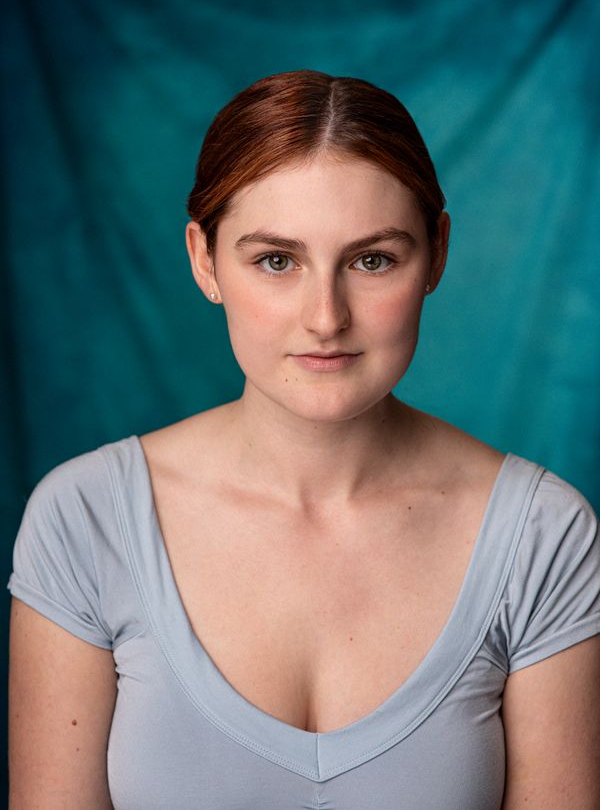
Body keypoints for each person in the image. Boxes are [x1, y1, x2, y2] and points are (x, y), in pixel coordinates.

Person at [7, 70, 600, 809]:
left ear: (437, 254)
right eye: (276, 261)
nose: (326, 317)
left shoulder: (543, 535)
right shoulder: (83, 520)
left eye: (372, 260)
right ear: (204, 260)